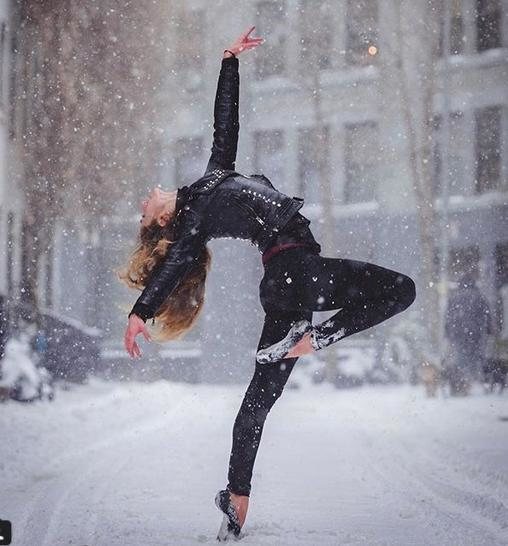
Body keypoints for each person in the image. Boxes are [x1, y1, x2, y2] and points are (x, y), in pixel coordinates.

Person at [120, 27, 416, 540]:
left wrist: (228, 62)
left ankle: (236, 501)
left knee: (257, 403)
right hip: (296, 272)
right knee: (401, 289)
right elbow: (169, 270)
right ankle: (315, 339)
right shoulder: (191, 225)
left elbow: (224, 124)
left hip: (291, 283)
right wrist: (140, 313)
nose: (148, 193)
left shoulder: (214, 175)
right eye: (146, 204)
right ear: (160, 220)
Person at [445, 271, 492, 395]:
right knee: (476, 358)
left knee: (461, 359)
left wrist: (448, 333)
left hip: (458, 334)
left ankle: (462, 384)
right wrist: (489, 331)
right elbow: (487, 316)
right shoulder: (480, 297)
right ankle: (475, 381)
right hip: (476, 334)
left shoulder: (454, 298)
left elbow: (448, 317)